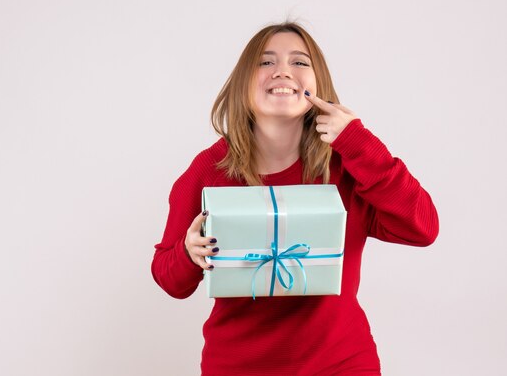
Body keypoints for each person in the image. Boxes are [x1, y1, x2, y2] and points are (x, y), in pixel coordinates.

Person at [151, 22, 439, 375]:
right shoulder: (208, 169)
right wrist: (187, 253)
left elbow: (422, 228)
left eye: (300, 62)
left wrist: (358, 141)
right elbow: (169, 280)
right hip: (238, 366)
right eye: (266, 62)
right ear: (243, 82)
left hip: (342, 363)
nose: (283, 71)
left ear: (319, 84)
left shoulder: (348, 165)